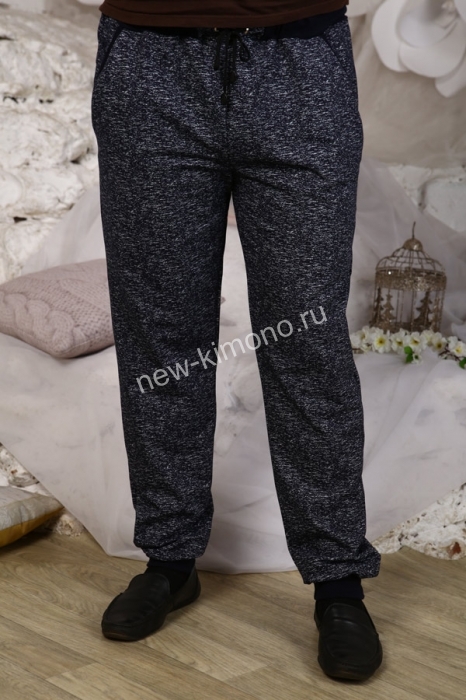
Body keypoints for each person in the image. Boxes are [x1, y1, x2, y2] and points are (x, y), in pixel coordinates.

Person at [91, 0, 383, 681]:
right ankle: (170, 559)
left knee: (307, 339)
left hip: (299, 57)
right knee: (161, 335)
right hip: (149, 60)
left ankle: (338, 582)